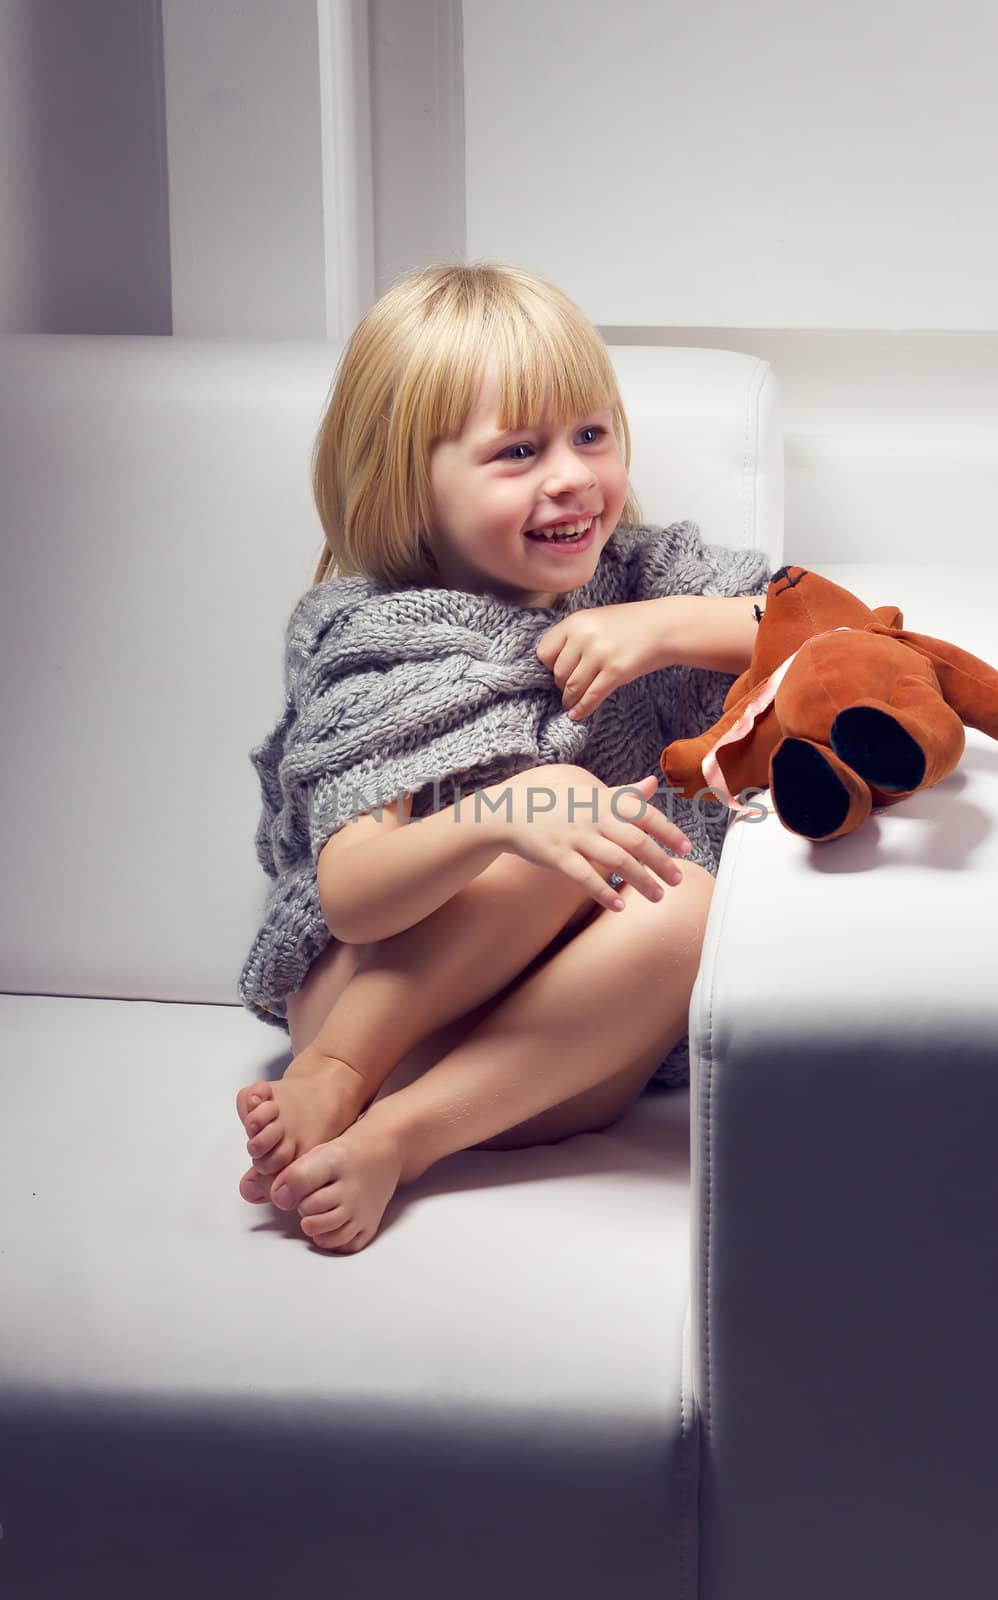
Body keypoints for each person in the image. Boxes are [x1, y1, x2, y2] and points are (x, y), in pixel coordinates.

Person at [235, 261, 770, 1253]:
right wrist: (501, 819)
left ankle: (396, 1142)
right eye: (516, 451)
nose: (569, 475)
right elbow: (351, 894)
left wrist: (670, 626)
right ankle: (341, 1084)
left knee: (684, 899)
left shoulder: (648, 577)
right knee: (552, 805)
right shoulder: (380, 636)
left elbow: (841, 640)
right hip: (369, 1013)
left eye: (589, 435)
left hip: (538, 1060)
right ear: (411, 484)